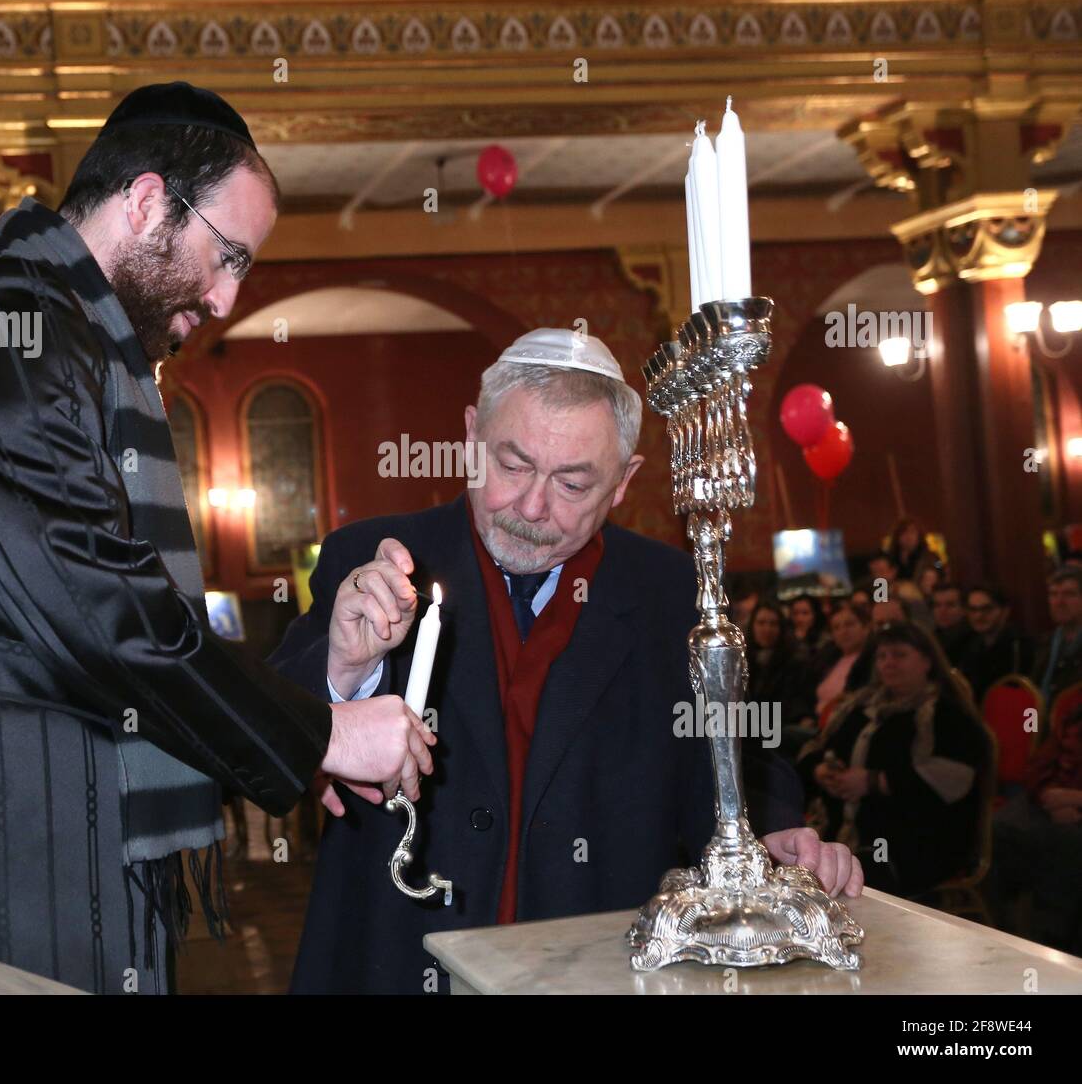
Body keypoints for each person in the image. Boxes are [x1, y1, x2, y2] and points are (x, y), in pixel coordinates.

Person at [0, 83, 432, 995]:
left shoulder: (73, 331)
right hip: (2, 814)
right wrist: (317, 733)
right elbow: (104, 607)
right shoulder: (2, 317)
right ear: (147, 200)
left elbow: (129, 617)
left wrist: (303, 721)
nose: (228, 295)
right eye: (227, 255)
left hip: (73, 809)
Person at [272, 329, 863, 994]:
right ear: (472, 435)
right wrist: (344, 667)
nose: (531, 508)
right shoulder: (373, 556)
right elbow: (267, 729)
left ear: (623, 482)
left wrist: (770, 834)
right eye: (513, 465)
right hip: (392, 957)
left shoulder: (675, 592)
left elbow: (730, 756)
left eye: (573, 482)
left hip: (599, 964)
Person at [797, 622, 991, 898]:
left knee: (851, 878)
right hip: (841, 830)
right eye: (882, 656)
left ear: (927, 661)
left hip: (914, 840)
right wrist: (822, 771)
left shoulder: (946, 714)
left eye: (899, 655)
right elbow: (814, 749)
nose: (888, 663)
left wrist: (874, 781)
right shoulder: (859, 706)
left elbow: (952, 779)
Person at [986, 700, 1082, 955]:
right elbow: (1040, 763)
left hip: (1072, 809)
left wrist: (1076, 800)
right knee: (999, 828)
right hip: (1054, 800)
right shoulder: (1075, 710)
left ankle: (1053, 941)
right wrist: (1050, 794)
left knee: (1067, 843)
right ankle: (1001, 925)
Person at [745, 600, 817, 756]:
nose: (767, 629)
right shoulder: (743, 660)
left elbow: (795, 699)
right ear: (753, 626)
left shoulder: (795, 660)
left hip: (778, 725)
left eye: (773, 624)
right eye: (761, 623)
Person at [956, 584, 1031, 706]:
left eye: (987, 609)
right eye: (973, 610)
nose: (978, 616)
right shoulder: (968, 643)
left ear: (1005, 611)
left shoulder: (1019, 646)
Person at [811, 601, 873, 729]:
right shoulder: (827, 658)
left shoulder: (870, 660)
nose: (843, 631)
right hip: (815, 722)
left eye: (849, 624)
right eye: (836, 627)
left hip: (842, 726)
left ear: (866, 627)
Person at [1033, 566, 1082, 723]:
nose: (1059, 602)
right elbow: (1032, 697)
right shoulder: (1045, 643)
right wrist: (1030, 733)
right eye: (1053, 594)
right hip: (1043, 730)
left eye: (1069, 594)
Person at [931, 580, 975, 666]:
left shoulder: (971, 641)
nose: (942, 611)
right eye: (937, 605)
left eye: (950, 605)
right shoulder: (933, 636)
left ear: (964, 609)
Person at [886, 516, 940, 584]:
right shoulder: (889, 558)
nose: (908, 536)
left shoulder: (930, 558)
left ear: (919, 535)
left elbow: (940, 575)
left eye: (912, 532)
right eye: (904, 533)